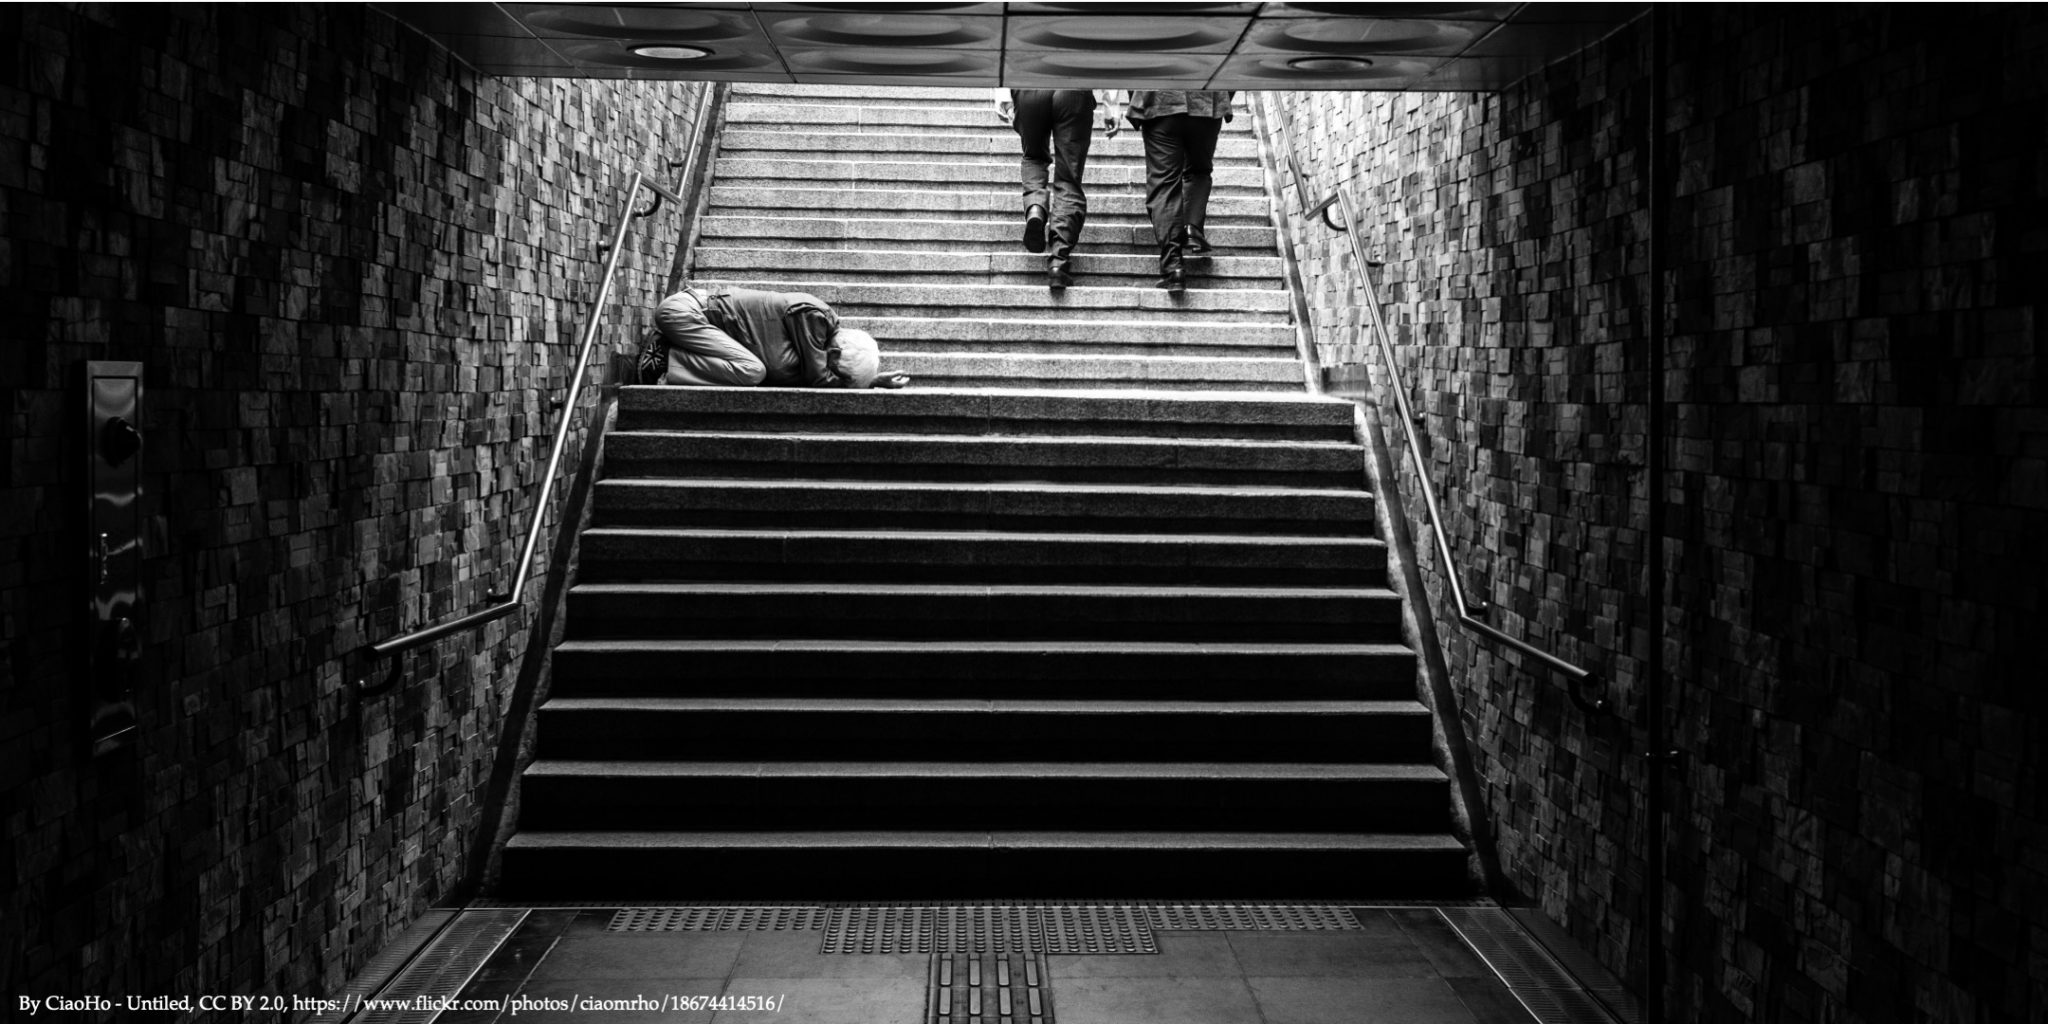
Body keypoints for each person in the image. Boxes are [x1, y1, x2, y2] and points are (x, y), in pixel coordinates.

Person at [639, 285, 910, 389]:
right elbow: (817, 378)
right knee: (752, 371)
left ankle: (673, 353)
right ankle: (665, 357)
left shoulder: (812, 341)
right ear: (835, 354)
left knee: (752, 370)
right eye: (837, 371)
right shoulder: (815, 318)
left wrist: (870, 380)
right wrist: (856, 384)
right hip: (684, 312)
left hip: (690, 318)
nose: (832, 374)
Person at [995, 88, 1122, 290]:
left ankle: (1036, 207)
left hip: (1029, 86)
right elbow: (1103, 56)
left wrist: (1003, 95)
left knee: (1033, 157)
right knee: (1068, 178)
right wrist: (1111, 105)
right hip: (1073, 86)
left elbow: (1001, 56)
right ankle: (1058, 261)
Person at [1124, 89, 1234, 294]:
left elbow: (1134, 61)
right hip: (1206, 102)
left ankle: (1173, 265)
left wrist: (1138, 98)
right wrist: (1221, 97)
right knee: (1199, 171)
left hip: (1160, 103)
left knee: (1164, 183)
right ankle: (1191, 227)